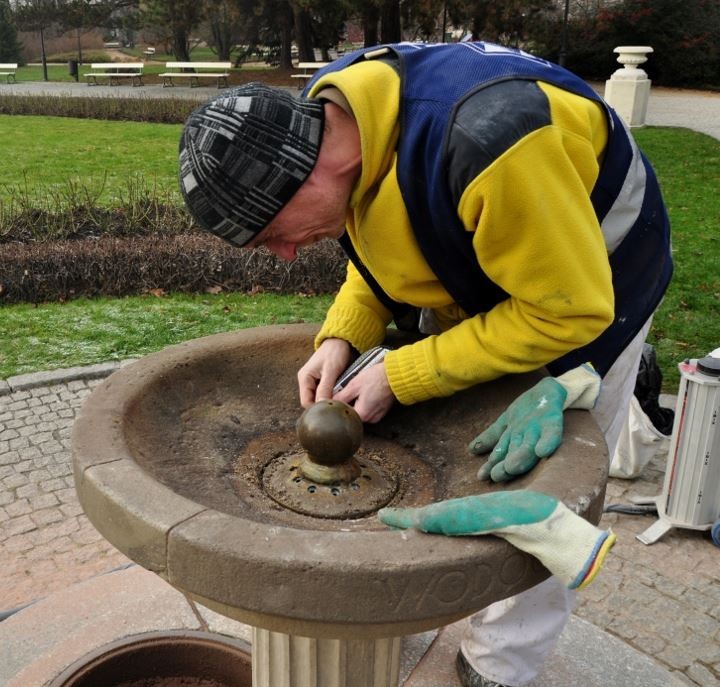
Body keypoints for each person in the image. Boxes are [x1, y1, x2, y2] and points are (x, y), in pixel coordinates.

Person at [178, 41, 672, 687]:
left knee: (537, 485)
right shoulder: (335, 117)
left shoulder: (490, 142)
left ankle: (502, 660)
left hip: (590, 290)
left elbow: (568, 311)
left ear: (311, 171)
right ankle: (411, 592)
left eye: (274, 234)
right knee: (452, 425)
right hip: (487, 257)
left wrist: (405, 372)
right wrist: (344, 334)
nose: (286, 255)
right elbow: (376, 236)